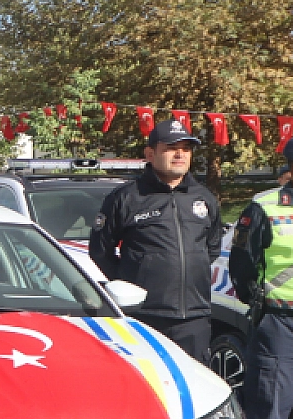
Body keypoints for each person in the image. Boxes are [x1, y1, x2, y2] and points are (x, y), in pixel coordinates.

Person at [88, 119, 221, 363]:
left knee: (194, 389)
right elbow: (100, 250)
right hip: (144, 316)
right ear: (150, 153)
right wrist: (130, 284)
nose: (180, 154)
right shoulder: (127, 197)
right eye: (171, 147)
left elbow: (211, 248)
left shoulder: (204, 198)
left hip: (194, 317)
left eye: (186, 148)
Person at [229, 135, 293, 419]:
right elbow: (242, 265)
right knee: (270, 407)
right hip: (282, 321)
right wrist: (259, 301)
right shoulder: (265, 206)